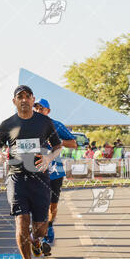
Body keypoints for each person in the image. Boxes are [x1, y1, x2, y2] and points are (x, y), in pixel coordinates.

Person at [0, 86, 62, 259]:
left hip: (40, 179)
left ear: (33, 100)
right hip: (16, 178)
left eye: (27, 96)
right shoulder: (7, 124)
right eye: (20, 97)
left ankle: (36, 240)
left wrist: (48, 157)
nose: (24, 99)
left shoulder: (44, 122)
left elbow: (58, 146)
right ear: (14, 101)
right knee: (21, 221)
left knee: (41, 228)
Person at [33, 98, 77, 244]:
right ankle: (39, 232)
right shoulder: (29, 125)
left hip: (55, 171)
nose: (38, 111)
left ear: (48, 111)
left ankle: (50, 226)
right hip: (36, 170)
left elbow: (74, 144)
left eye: (41, 108)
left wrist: (58, 141)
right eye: (36, 108)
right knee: (40, 203)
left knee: (53, 204)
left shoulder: (56, 125)